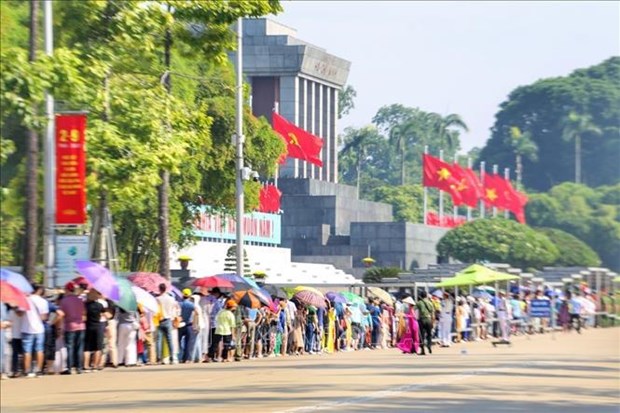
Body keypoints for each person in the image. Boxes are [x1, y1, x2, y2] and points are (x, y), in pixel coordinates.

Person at [21, 283, 49, 377]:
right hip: (39, 328)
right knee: (39, 350)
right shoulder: (43, 301)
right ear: (39, 290)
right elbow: (44, 317)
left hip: (27, 328)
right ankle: (38, 370)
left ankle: (27, 371)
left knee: (27, 351)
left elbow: (20, 313)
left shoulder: (25, 300)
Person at [59, 282, 85, 375]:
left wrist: (60, 327)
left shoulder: (64, 301)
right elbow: (83, 313)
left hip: (69, 326)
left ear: (67, 290)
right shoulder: (80, 300)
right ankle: (79, 368)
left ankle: (69, 368)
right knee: (79, 347)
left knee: (70, 347)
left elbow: (61, 314)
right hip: (81, 325)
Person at [83, 289, 105, 372]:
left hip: (88, 326)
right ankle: (95, 366)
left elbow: (84, 316)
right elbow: (104, 314)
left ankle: (86, 366)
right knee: (98, 348)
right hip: (98, 326)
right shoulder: (100, 305)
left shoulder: (85, 305)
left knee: (87, 348)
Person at [156, 283, 176, 364]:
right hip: (168, 320)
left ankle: (159, 358)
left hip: (160, 320)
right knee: (169, 340)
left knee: (159, 340)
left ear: (159, 289)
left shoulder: (157, 299)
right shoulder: (171, 299)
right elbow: (174, 308)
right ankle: (171, 358)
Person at [178, 289, 196, 363]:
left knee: (178, 341)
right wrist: (195, 322)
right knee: (188, 343)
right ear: (189, 295)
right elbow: (197, 312)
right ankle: (186, 358)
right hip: (189, 324)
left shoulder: (179, 304)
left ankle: (179, 357)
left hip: (180, 324)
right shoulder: (191, 305)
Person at [416, 290, 435, 355]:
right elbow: (433, 314)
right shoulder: (430, 303)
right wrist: (433, 322)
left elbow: (415, 311)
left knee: (421, 335)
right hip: (429, 319)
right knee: (429, 334)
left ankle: (423, 350)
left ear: (420, 296)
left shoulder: (419, 303)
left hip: (421, 320)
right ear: (426, 296)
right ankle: (429, 346)